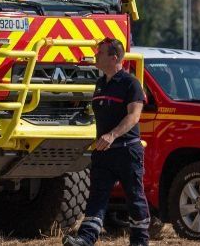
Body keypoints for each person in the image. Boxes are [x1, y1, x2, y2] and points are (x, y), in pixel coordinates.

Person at [63, 38, 150, 246]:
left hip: (127, 151)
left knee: (135, 197)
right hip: (103, 153)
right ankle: (86, 239)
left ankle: (139, 241)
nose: (95, 55)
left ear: (114, 58)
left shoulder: (131, 83)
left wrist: (112, 135)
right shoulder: (101, 84)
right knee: (96, 197)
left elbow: (134, 116)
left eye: (100, 52)